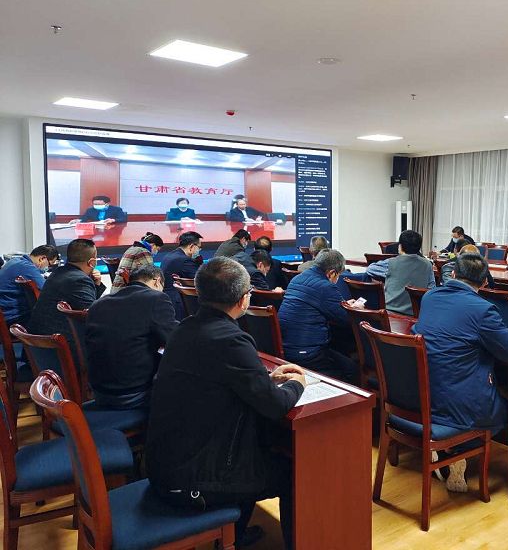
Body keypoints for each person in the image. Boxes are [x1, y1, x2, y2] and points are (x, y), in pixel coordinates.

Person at [146, 257, 306, 549]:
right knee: (292, 472)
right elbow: (275, 406)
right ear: (243, 299)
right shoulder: (231, 340)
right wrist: (298, 383)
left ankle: (236, 535)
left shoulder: (184, 328)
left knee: (257, 448)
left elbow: (219, 381)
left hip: (165, 464)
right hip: (192, 480)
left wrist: (264, 379)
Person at [412, 253, 508, 491]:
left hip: (424, 394)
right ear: (485, 282)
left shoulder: (430, 297)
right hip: (461, 403)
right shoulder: (483, 309)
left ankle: (447, 452)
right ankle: (456, 452)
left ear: (454, 274)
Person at [86, 266, 177, 409]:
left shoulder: (98, 304)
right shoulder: (156, 298)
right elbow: (174, 341)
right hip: (134, 394)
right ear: (157, 281)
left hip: (99, 393)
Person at [278, 249, 360, 383]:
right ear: (332, 273)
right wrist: (354, 309)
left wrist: (343, 305)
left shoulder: (297, 279)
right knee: (351, 369)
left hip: (286, 347)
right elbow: (345, 319)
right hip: (308, 354)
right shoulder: (325, 286)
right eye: (338, 275)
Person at [27, 239, 106, 359]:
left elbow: (83, 305)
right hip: (61, 351)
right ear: (92, 262)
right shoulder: (80, 280)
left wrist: (97, 285)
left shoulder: (58, 272)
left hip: (39, 348)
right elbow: (91, 316)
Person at [365, 230, 435, 315]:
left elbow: (370, 269)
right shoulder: (428, 265)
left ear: (400, 246)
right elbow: (432, 289)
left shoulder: (391, 263)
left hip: (390, 312)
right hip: (417, 313)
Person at [0, 245, 60, 326]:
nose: (48, 267)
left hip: (4, 311)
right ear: (42, 259)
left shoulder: (16, 261)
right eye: (49, 264)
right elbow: (46, 289)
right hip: (10, 317)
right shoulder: (27, 267)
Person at [160, 232, 203, 319]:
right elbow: (201, 279)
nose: (199, 250)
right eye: (199, 247)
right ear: (191, 246)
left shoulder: (170, 255)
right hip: (177, 302)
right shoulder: (184, 260)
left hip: (167, 298)